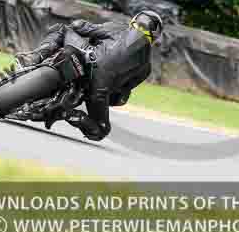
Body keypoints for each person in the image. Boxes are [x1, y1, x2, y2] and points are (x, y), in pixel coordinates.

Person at [13, 10, 163, 141]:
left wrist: (81, 26)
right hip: (99, 90)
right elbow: (121, 93)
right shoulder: (146, 66)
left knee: (62, 29)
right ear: (155, 35)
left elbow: (80, 26)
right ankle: (69, 114)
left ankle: (35, 57)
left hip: (87, 58)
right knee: (101, 130)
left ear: (134, 20)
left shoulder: (117, 27)